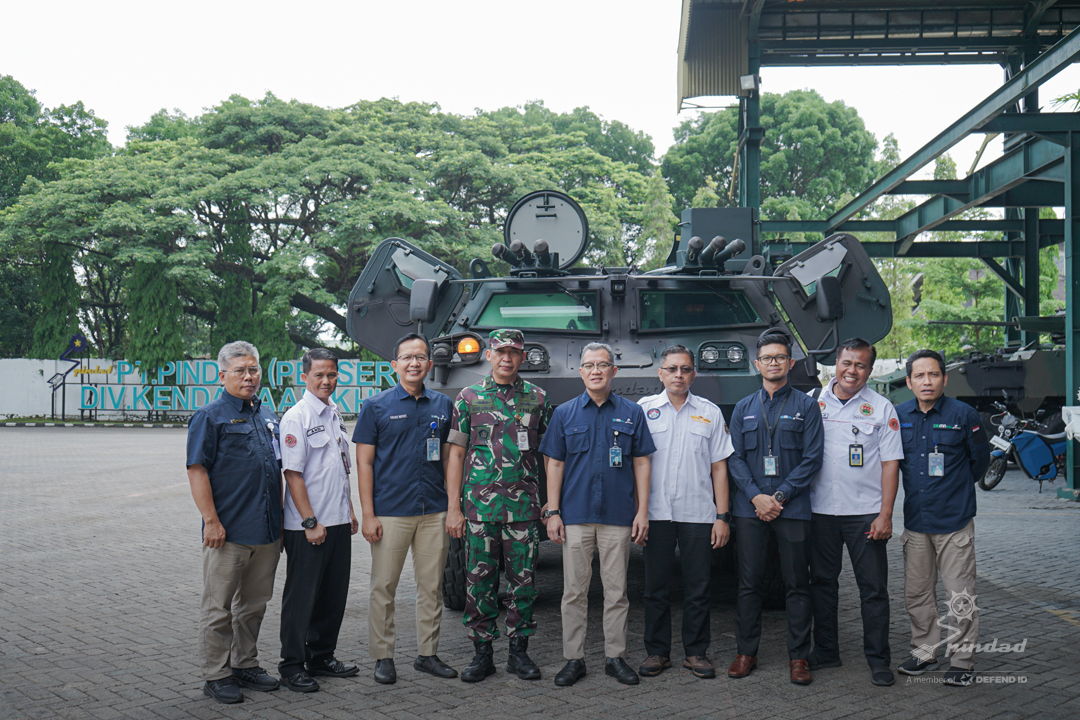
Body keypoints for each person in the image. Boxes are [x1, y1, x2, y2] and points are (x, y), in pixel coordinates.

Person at [540, 342, 655, 687]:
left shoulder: (632, 413)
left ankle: (614, 658)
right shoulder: (565, 413)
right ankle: (573, 659)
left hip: (619, 516)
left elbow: (642, 463)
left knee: (616, 592)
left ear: (613, 371)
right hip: (574, 516)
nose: (595, 371)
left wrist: (642, 512)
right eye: (589, 365)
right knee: (574, 592)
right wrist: (553, 512)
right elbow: (555, 464)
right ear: (580, 371)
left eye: (602, 365)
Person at [445, 329, 551, 682]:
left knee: (523, 583)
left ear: (522, 357)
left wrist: (550, 506)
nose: (507, 358)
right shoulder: (468, 397)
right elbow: (456, 452)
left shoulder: (537, 398)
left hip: (522, 510)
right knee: (479, 583)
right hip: (479, 508)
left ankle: (519, 653)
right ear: (488, 355)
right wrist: (454, 508)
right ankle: (482, 653)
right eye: (500, 351)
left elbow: (548, 454)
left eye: (514, 352)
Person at [353, 333, 457, 685]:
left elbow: (448, 458)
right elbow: (364, 463)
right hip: (390, 511)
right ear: (394, 364)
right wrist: (368, 514)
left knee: (432, 587)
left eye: (421, 357)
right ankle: (383, 656)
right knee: (384, 586)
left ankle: (427, 654)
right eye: (407, 357)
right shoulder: (376, 406)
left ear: (430, 363)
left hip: (434, 511)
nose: (415, 363)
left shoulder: (444, 406)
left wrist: (452, 506)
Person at [186, 341, 283, 704]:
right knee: (218, 608)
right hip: (228, 533)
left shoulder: (268, 415)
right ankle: (216, 674)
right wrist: (210, 521)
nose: (248, 376)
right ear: (222, 374)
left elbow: (278, 470)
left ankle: (245, 664)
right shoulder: (210, 416)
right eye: (240, 370)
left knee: (254, 605)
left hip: (268, 532)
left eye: (253, 369)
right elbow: (197, 471)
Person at [726, 330, 823, 685]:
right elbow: (733, 458)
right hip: (749, 509)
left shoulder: (807, 407)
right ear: (757, 364)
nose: (773, 363)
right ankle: (745, 653)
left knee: (797, 584)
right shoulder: (743, 408)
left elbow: (812, 459)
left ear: (790, 363)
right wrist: (755, 497)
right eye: (767, 358)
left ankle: (799, 658)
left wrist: (779, 497)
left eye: (780, 357)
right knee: (748, 584)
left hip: (792, 509)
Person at [807, 338, 903, 687]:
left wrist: (886, 514)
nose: (852, 370)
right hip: (820, 512)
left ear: (870, 369)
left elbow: (891, 465)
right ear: (836, 362)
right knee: (822, 585)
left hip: (865, 514)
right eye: (847, 362)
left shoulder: (881, 408)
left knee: (873, 589)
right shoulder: (812, 403)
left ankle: (878, 660)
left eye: (860, 365)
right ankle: (826, 651)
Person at [895, 349, 990, 687]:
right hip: (916, 523)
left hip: (955, 522)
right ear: (908, 382)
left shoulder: (963, 414)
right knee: (917, 594)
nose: (927, 381)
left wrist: (957, 490)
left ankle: (963, 661)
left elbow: (979, 461)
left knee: (959, 594)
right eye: (919, 376)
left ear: (944, 379)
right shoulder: (898, 415)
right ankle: (925, 653)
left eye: (933, 374)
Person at [638, 345, 733, 680]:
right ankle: (657, 652)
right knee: (655, 588)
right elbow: (637, 465)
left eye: (685, 369)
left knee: (698, 586)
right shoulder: (643, 410)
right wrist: (639, 513)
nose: (679, 375)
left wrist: (722, 516)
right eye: (672, 369)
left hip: (698, 513)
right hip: (657, 513)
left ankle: (696, 652)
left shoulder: (710, 412)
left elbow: (720, 468)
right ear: (660, 373)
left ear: (694, 374)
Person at [277, 348, 360, 692]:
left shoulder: (333, 412)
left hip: (338, 520)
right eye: (319, 376)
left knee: (333, 595)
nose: (326, 381)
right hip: (308, 526)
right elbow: (293, 474)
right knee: (302, 597)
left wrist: (350, 510)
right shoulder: (297, 417)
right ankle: (292, 664)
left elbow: (339, 465)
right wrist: (310, 522)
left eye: (332, 375)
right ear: (305, 377)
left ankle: (322, 656)